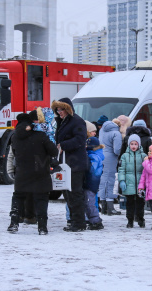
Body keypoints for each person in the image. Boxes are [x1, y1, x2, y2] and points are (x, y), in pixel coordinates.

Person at [8, 111, 58, 235]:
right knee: (41, 199)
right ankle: (42, 227)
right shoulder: (40, 136)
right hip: (40, 171)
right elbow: (53, 152)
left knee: (18, 197)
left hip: (22, 172)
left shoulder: (14, 136)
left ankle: (14, 223)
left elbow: (14, 152)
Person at [52, 97, 89, 232]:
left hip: (75, 164)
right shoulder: (63, 122)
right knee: (68, 194)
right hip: (67, 163)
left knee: (75, 194)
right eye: (58, 109)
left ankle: (79, 223)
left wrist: (63, 145)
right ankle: (74, 221)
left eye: (61, 109)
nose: (59, 112)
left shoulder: (77, 121)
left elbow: (80, 139)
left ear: (67, 109)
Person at [118, 134, 146, 228]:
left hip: (140, 184)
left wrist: (146, 183)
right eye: (132, 144)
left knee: (140, 203)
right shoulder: (124, 156)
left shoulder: (143, 156)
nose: (133, 146)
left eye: (135, 144)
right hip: (129, 183)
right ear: (129, 145)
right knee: (129, 203)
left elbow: (146, 170)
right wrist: (122, 180)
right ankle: (130, 220)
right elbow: (121, 169)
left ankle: (141, 219)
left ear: (139, 145)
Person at [98, 118, 123, 215]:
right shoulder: (116, 133)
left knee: (103, 180)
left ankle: (103, 205)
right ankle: (110, 207)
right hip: (111, 158)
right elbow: (117, 150)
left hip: (101, 155)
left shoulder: (102, 130)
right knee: (110, 180)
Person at [83, 137, 105, 230]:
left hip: (91, 182)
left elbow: (91, 170)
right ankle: (93, 219)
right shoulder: (95, 154)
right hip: (92, 182)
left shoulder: (94, 156)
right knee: (89, 201)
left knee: (89, 202)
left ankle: (95, 221)